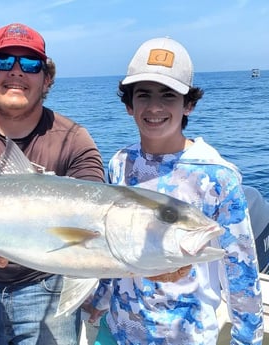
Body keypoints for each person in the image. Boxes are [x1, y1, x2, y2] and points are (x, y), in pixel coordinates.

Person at [0, 23, 105, 345]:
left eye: (29, 64)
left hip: (48, 283)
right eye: (2, 62)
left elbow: (94, 221)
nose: (15, 72)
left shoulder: (74, 139)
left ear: (46, 78)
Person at [87, 37, 264, 344]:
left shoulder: (217, 176)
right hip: (116, 330)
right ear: (129, 104)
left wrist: (245, 339)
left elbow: (241, 271)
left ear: (189, 104)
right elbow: (114, 246)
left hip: (187, 336)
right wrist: (100, 300)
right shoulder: (120, 163)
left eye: (168, 96)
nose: (154, 107)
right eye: (144, 95)